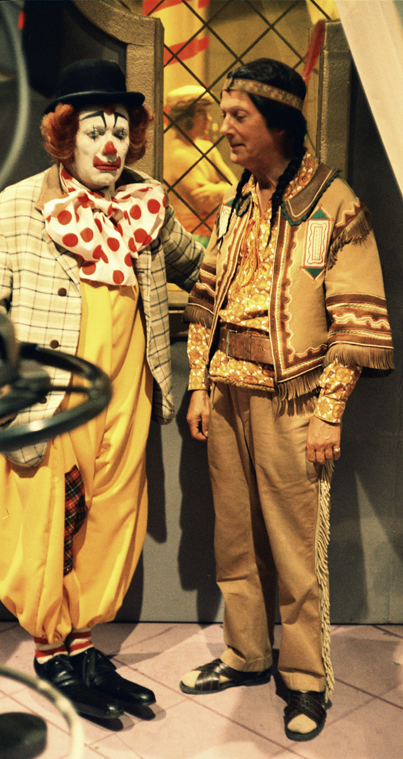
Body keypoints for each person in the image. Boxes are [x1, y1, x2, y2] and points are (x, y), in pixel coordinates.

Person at [181, 58, 395, 741]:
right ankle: (246, 654)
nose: (224, 128)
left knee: (297, 551)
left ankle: (305, 679)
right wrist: (198, 382)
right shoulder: (236, 203)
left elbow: (356, 318)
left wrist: (329, 411)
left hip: (294, 401)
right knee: (234, 539)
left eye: (238, 116)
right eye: (224, 114)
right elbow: (205, 295)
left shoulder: (335, 204)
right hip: (227, 396)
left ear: (278, 123)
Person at [0, 59, 204, 721]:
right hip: (53, 396)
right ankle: (48, 651)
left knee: (114, 514)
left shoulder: (146, 203)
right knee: (48, 519)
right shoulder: (19, 207)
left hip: (128, 389)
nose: (110, 145)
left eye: (119, 130)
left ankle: (83, 646)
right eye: (95, 131)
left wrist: (268, 251)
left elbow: (201, 263)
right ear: (66, 136)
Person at [164, 85, 237, 246]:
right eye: (201, 112)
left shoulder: (207, 148)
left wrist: (219, 190)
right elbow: (207, 204)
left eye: (207, 112)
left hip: (214, 234)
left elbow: (238, 188)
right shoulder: (178, 155)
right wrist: (226, 189)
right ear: (185, 116)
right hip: (189, 239)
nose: (208, 118)